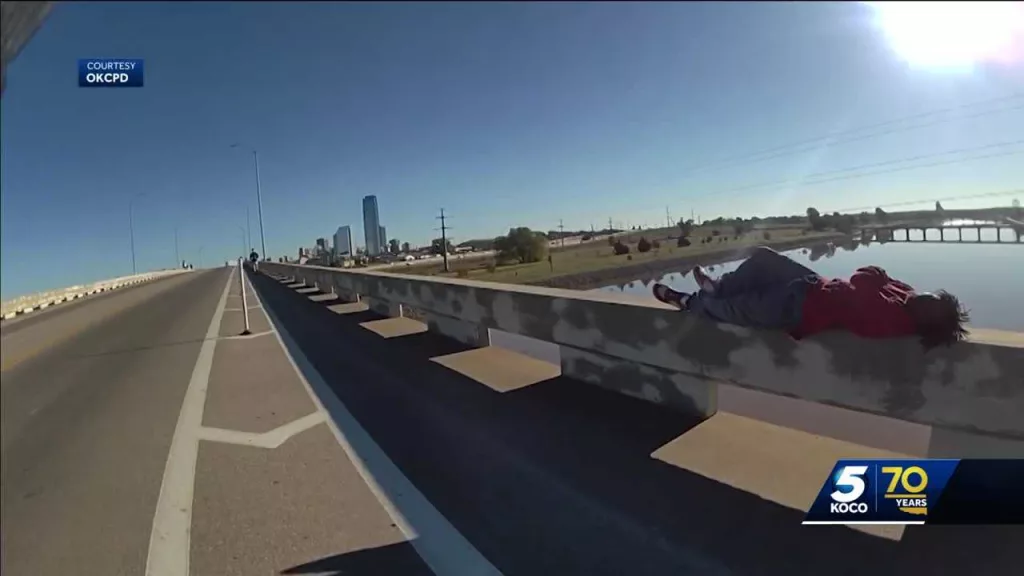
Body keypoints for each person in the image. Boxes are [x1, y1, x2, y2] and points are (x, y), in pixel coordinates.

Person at [652, 246, 969, 349]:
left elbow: (862, 279)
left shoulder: (893, 320)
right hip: (812, 283)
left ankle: (686, 301)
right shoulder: (907, 299)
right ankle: (717, 286)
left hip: (797, 308)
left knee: (731, 310)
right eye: (932, 296)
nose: (923, 296)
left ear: (926, 321)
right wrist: (881, 279)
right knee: (763, 257)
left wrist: (879, 278)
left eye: (930, 305)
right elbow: (873, 280)